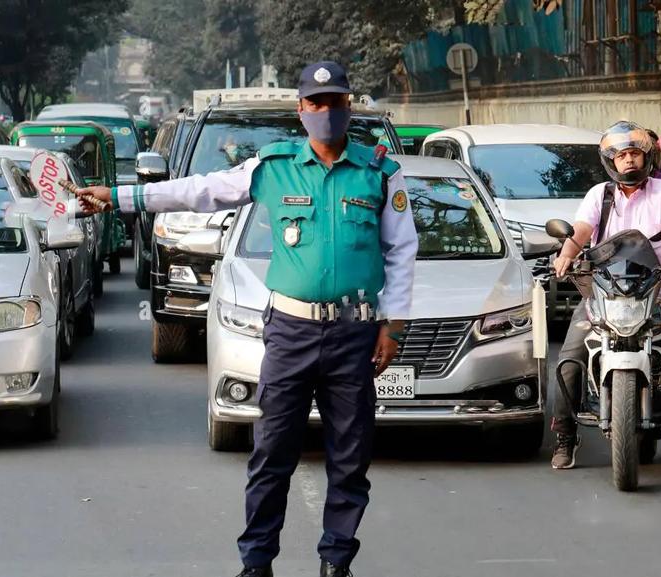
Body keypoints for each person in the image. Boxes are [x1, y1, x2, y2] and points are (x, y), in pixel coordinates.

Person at [76, 61, 418, 577]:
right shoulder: (273, 167)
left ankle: (336, 560)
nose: (327, 112)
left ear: (349, 107)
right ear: (301, 110)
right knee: (271, 454)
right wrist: (121, 198)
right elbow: (200, 191)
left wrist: (394, 325)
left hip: (355, 332)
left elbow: (402, 251)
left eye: (336, 102)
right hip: (291, 331)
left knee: (350, 457)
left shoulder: (380, 172)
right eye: (317, 103)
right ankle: (257, 562)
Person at [549, 120, 661, 470]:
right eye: (622, 155)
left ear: (648, 158)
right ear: (611, 161)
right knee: (569, 359)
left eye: (635, 154)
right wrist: (567, 254)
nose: (629, 161)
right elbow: (581, 229)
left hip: (658, 290)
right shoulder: (599, 195)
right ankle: (565, 437)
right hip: (605, 292)